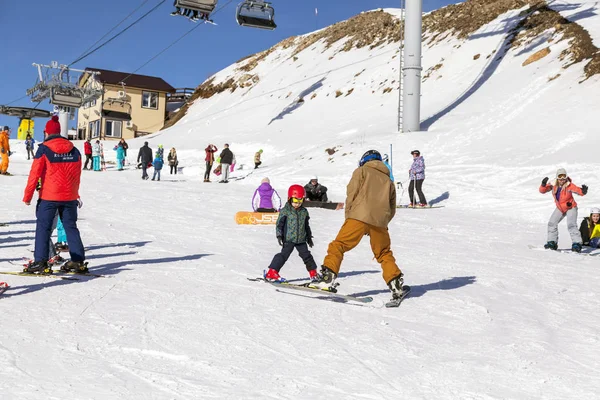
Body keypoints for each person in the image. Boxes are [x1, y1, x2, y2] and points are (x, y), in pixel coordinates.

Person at [310, 150, 405, 302]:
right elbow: (392, 208)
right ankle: (396, 284)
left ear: (364, 160)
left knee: (339, 245)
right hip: (380, 223)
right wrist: (381, 221)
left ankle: (327, 278)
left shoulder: (361, 171)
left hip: (358, 217)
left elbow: (351, 194)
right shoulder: (389, 181)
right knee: (384, 253)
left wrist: (350, 217)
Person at [22, 115, 87, 274]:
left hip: (49, 197)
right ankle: (78, 262)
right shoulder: (74, 150)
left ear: (47, 132)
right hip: (69, 197)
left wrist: (28, 196)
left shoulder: (44, 148)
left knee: (43, 228)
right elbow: (77, 174)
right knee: (71, 227)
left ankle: (41, 262)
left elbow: (34, 174)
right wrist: (74, 193)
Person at [263, 184, 319, 282]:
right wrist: (279, 235)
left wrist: (309, 237)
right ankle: (272, 271)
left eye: (300, 201)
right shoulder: (286, 211)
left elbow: (306, 225)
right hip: (289, 239)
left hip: (301, 239)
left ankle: (313, 273)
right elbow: (279, 224)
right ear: (289, 199)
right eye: (295, 201)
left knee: (307, 256)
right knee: (283, 255)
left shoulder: (304, 212)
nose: (297, 204)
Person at [540, 167, 588, 252]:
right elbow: (543, 191)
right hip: (560, 208)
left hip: (571, 207)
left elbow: (577, 190)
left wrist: (583, 191)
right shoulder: (553, 185)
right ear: (557, 178)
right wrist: (543, 185)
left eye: (564, 177)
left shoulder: (569, 185)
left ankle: (577, 243)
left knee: (571, 225)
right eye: (560, 177)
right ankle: (552, 242)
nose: (562, 179)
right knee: (552, 223)